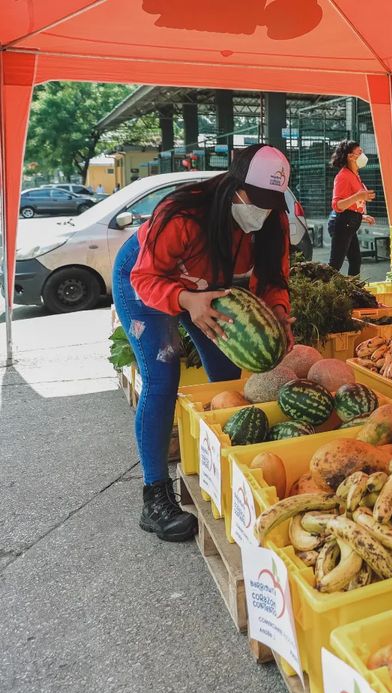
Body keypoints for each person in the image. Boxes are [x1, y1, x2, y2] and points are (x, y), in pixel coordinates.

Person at [112, 144, 295, 542]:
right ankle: (155, 495)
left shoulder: (272, 220)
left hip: (209, 289)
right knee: (162, 378)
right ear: (233, 185)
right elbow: (146, 277)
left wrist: (278, 312)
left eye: (270, 202)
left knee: (227, 376)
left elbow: (273, 279)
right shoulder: (184, 215)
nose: (261, 210)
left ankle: (221, 466)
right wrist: (185, 301)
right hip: (147, 282)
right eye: (255, 200)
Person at [329, 140, 376, 275]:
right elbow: (337, 205)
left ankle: (353, 293)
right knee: (335, 265)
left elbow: (354, 203)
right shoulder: (343, 176)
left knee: (355, 260)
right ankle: (324, 291)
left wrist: (362, 215)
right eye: (359, 152)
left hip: (350, 222)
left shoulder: (354, 175)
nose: (363, 155)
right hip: (343, 223)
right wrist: (358, 196)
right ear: (350, 156)